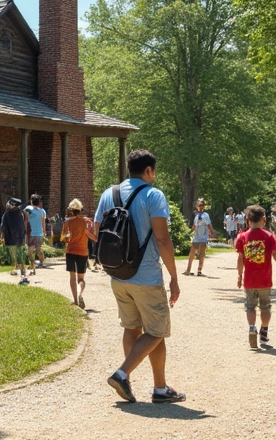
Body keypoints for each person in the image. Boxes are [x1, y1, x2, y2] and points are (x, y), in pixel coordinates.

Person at [98, 149, 185, 405]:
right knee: (157, 330)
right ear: (148, 170)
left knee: (133, 328)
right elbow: (161, 238)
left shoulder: (109, 194)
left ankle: (160, 389)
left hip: (118, 275)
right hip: (146, 276)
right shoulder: (153, 195)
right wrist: (174, 276)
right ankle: (122, 374)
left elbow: (96, 231)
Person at [237, 205, 276, 349]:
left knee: (250, 305)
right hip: (265, 280)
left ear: (248, 221)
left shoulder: (242, 237)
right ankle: (264, 332)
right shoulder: (268, 236)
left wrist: (239, 275)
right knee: (265, 306)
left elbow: (240, 259)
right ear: (264, 220)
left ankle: (252, 327)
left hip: (249, 280)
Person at [61, 199, 97, 308]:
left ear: (71, 210)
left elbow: (63, 237)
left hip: (71, 251)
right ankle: (81, 294)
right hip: (83, 252)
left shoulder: (68, 222)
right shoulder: (87, 222)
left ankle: (75, 300)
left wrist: (68, 238)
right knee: (81, 279)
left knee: (72, 278)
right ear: (80, 210)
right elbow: (94, 238)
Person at [1, 199, 30, 285]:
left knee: (16, 256)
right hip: (19, 238)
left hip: (11, 238)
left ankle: (23, 273)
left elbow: (3, 228)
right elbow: (23, 228)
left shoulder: (7, 214)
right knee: (18, 255)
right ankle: (19, 270)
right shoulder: (20, 214)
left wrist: (2, 238)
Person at [185, 199, 212, 276]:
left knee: (201, 253)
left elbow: (208, 225)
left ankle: (199, 270)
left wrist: (210, 232)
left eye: (201, 205)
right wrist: (190, 231)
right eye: (199, 205)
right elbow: (194, 226)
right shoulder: (196, 215)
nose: (200, 207)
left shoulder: (206, 215)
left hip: (203, 236)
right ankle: (188, 270)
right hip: (196, 236)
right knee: (192, 253)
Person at [25, 195, 48, 271]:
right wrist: (44, 231)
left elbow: (26, 220)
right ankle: (41, 262)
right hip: (39, 233)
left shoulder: (28, 209)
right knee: (39, 249)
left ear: (31, 201)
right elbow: (43, 222)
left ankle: (32, 263)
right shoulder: (42, 211)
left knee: (30, 248)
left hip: (30, 232)